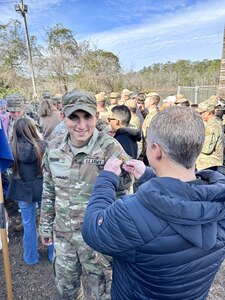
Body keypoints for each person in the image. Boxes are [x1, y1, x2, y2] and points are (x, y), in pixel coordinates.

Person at [82, 106, 225, 300]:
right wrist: (149, 175)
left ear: (156, 151)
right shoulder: (218, 200)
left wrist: (107, 179)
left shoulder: (132, 214)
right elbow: (185, 201)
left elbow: (93, 228)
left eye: (149, 144)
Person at [39, 90, 132, 300]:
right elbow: (49, 189)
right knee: (66, 290)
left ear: (96, 117)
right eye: (74, 117)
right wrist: (45, 224)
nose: (81, 125)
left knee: (105, 292)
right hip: (63, 237)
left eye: (87, 117)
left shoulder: (110, 148)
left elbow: (125, 193)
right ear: (63, 117)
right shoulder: (54, 148)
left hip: (99, 238)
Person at [7, 117, 47, 265]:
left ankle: (31, 257)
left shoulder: (11, 148)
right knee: (47, 221)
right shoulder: (43, 145)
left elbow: (8, 167)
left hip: (22, 190)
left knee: (28, 224)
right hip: (42, 189)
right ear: (32, 128)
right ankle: (52, 254)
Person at [196, 100, 224, 170]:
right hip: (212, 165)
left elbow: (206, 149)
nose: (200, 115)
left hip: (207, 165)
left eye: (201, 113)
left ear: (209, 112)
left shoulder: (211, 127)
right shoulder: (217, 122)